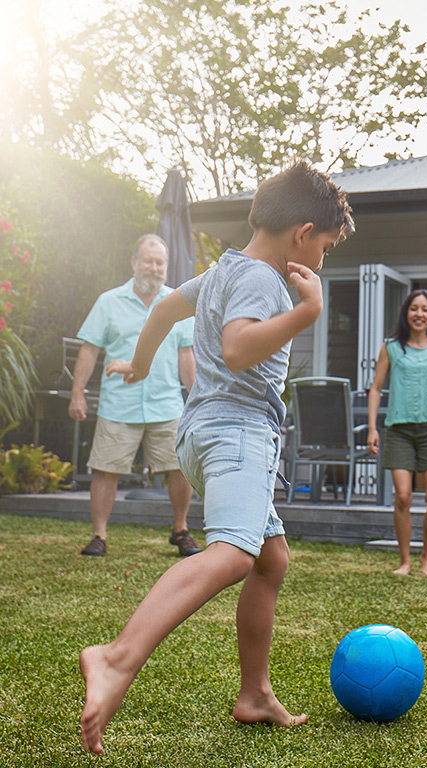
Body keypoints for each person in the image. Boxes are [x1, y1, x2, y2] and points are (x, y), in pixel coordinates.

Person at [78, 160, 355, 755]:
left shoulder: (225, 269)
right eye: (326, 247)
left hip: (200, 432)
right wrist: (307, 313)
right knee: (233, 554)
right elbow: (235, 349)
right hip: (238, 434)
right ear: (302, 233)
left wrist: (142, 362)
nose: (322, 260)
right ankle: (116, 657)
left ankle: (254, 694)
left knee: (270, 559)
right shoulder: (263, 278)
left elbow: (162, 312)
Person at [70, 234, 199, 558]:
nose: (154, 268)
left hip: (166, 400)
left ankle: (180, 529)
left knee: (180, 466)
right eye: (148, 261)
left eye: (160, 263)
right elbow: (89, 350)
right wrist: (78, 394)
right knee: (105, 468)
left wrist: (196, 397)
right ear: (134, 262)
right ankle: (98, 536)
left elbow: (186, 355)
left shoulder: (178, 303)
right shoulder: (109, 301)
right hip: (119, 403)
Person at [366, 289, 427, 576]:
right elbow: (376, 388)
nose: (419, 314)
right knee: (403, 496)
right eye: (414, 309)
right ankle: (405, 560)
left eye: (425, 309)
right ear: (406, 313)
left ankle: (425, 557)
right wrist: (371, 428)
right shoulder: (391, 347)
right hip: (399, 430)